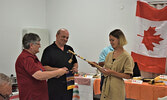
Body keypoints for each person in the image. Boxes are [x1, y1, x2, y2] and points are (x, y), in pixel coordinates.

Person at [15, 33, 68, 100]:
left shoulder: (33, 57)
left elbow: (42, 71)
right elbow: (38, 75)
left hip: (40, 95)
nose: (40, 46)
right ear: (31, 45)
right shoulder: (26, 58)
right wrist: (58, 72)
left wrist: (55, 74)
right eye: (38, 44)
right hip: (32, 96)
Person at [89, 29, 134, 100]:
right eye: (110, 40)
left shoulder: (127, 57)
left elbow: (128, 75)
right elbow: (105, 71)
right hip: (106, 88)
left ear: (120, 40)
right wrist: (96, 66)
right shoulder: (109, 55)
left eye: (112, 40)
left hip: (117, 89)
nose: (110, 42)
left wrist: (112, 72)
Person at [41, 28, 78, 100]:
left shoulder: (69, 49)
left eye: (67, 38)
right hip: (55, 84)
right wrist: (59, 70)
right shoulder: (48, 50)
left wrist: (75, 67)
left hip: (69, 82)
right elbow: (44, 67)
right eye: (63, 37)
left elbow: (75, 62)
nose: (65, 39)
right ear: (56, 36)